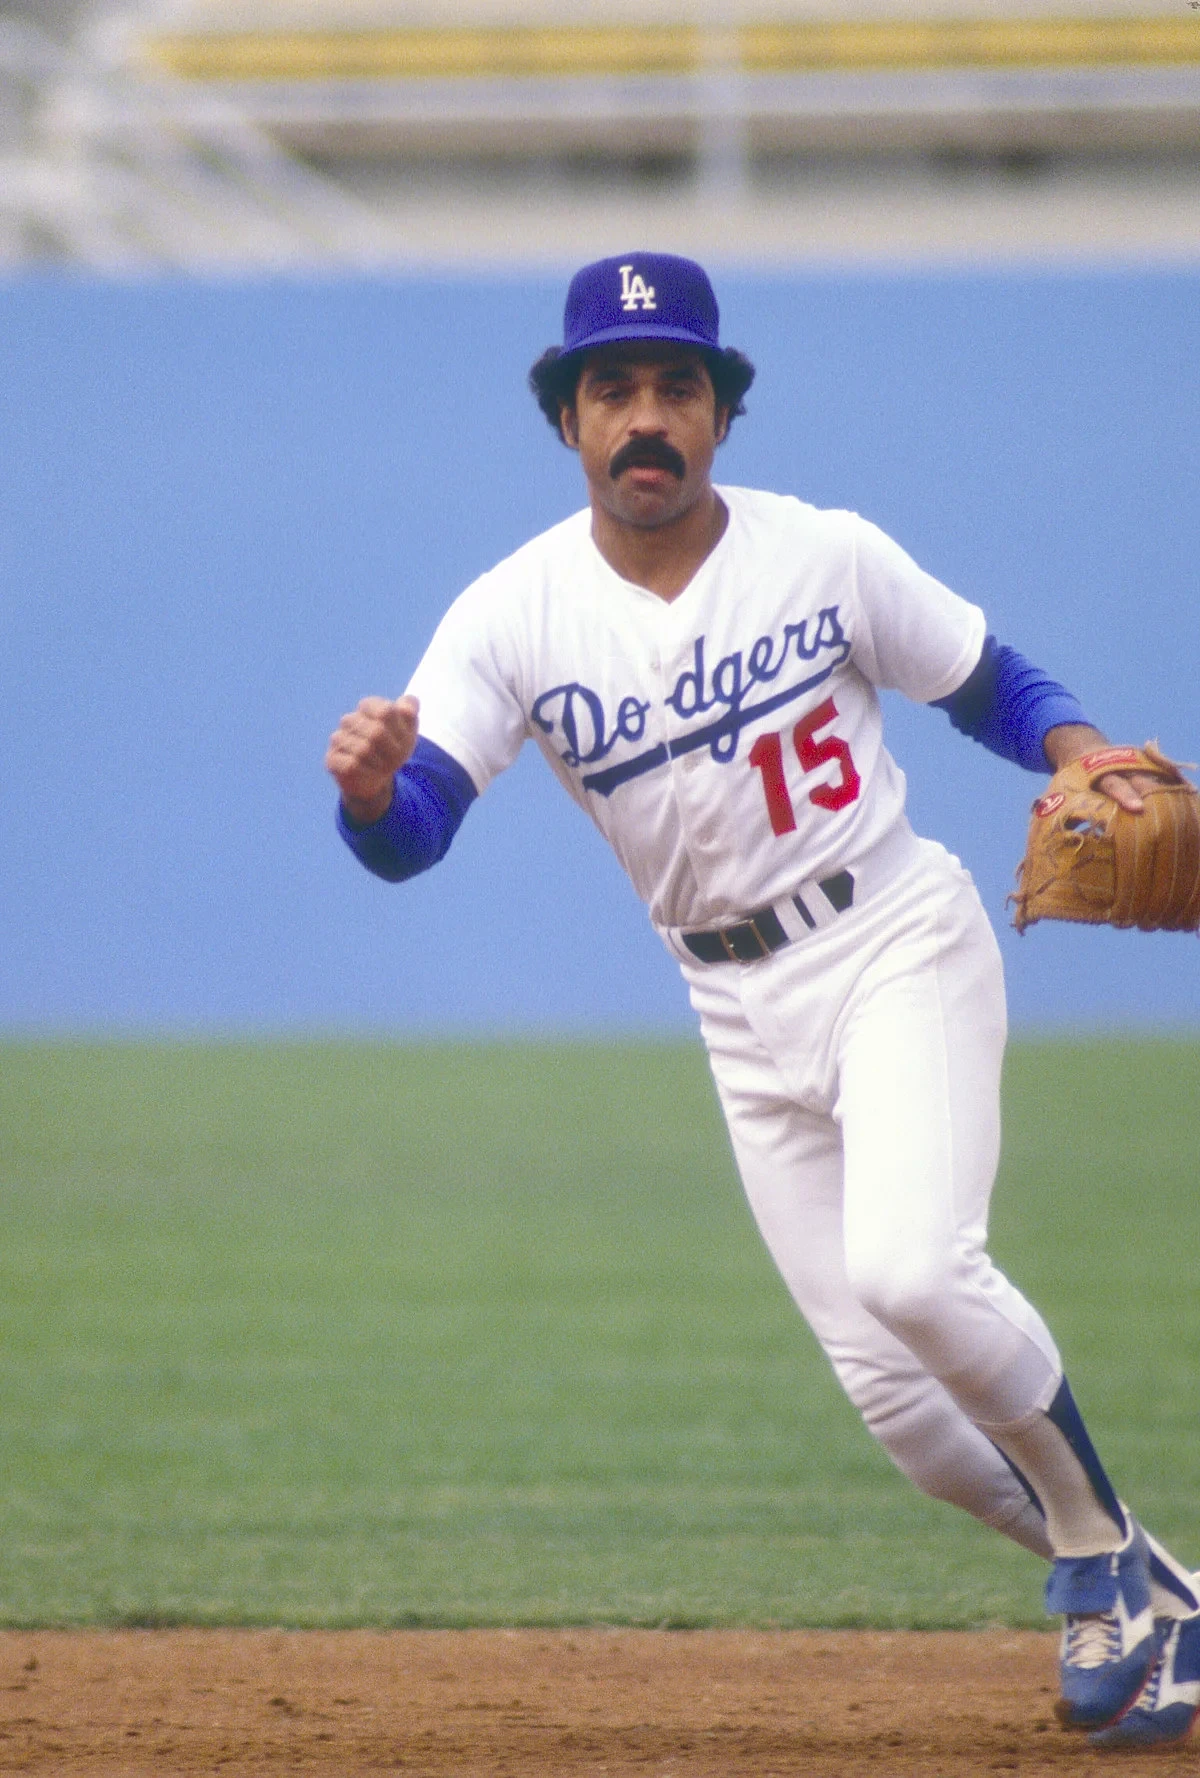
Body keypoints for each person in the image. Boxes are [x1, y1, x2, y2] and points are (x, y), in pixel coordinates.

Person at [326, 253, 1199, 1746]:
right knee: (911, 1420)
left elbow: (988, 679)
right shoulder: (511, 615)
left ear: (722, 413)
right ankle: (1164, 1591)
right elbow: (415, 833)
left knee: (916, 1271)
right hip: (734, 1009)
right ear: (568, 421)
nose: (646, 417)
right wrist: (365, 797)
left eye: (678, 387)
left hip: (893, 940)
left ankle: (1100, 1554)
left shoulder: (823, 555)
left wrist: (1080, 747)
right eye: (613, 390)